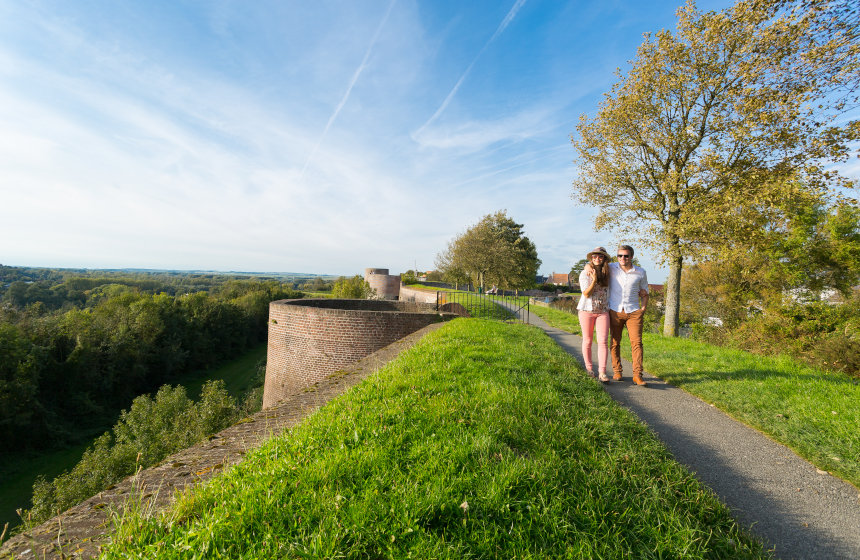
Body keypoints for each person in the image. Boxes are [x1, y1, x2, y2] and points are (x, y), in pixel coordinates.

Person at [608, 244, 649, 386]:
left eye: (626, 255)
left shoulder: (640, 272)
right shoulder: (611, 268)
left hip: (634, 312)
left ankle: (637, 375)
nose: (623, 258)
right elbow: (593, 265)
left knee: (637, 343)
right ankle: (617, 371)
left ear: (631, 257)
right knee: (614, 342)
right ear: (617, 256)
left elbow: (645, 292)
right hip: (615, 310)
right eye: (620, 255)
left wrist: (642, 308)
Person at [577, 247, 611, 383]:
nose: (597, 259)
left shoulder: (609, 272)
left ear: (604, 259)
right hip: (587, 311)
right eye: (594, 256)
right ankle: (589, 369)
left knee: (603, 341)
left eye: (600, 257)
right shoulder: (585, 273)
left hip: (603, 311)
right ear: (591, 258)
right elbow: (586, 293)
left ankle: (602, 372)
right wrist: (594, 279)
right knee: (588, 340)